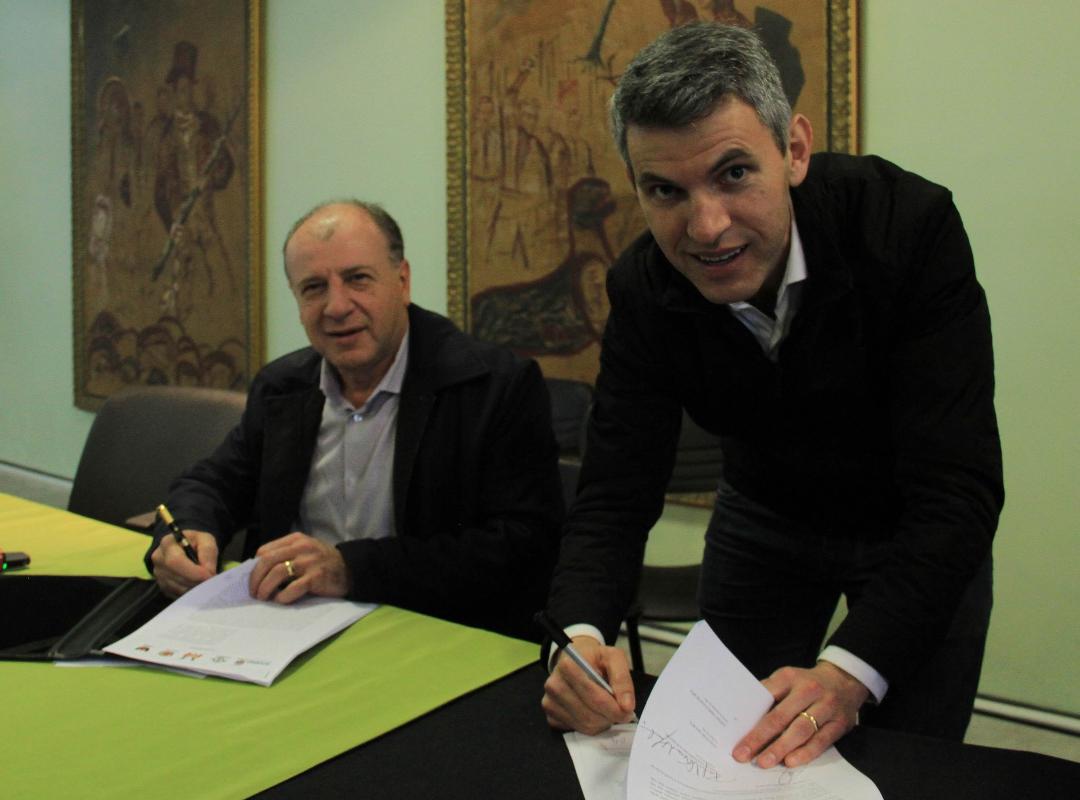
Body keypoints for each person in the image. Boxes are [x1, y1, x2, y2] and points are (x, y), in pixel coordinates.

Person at [541, 22, 1003, 767]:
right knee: (728, 750)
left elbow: (958, 487)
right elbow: (614, 491)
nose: (707, 228)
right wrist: (580, 635)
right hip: (766, 519)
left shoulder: (907, 227)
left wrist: (848, 674)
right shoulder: (643, 289)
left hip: (916, 527)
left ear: (793, 150)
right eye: (665, 190)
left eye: (733, 174)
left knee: (910, 763)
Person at [147, 200, 564, 641]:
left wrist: (351, 568)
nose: (337, 306)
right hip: (282, 629)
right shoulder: (283, 386)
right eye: (313, 288)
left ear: (402, 281)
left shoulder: (493, 387)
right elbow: (214, 481)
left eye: (357, 279)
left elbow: (524, 546)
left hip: (430, 630)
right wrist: (186, 530)